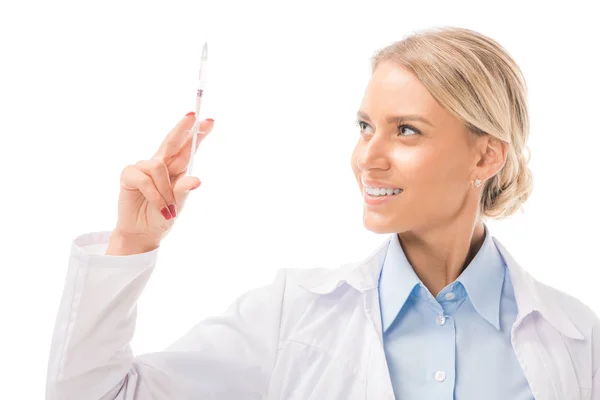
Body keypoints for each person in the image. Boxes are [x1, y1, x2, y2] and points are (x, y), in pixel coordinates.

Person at [45, 26, 599, 400]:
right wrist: (130, 244)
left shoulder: (575, 341)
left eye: (406, 130)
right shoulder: (292, 318)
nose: (368, 158)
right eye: (365, 127)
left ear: (485, 154)